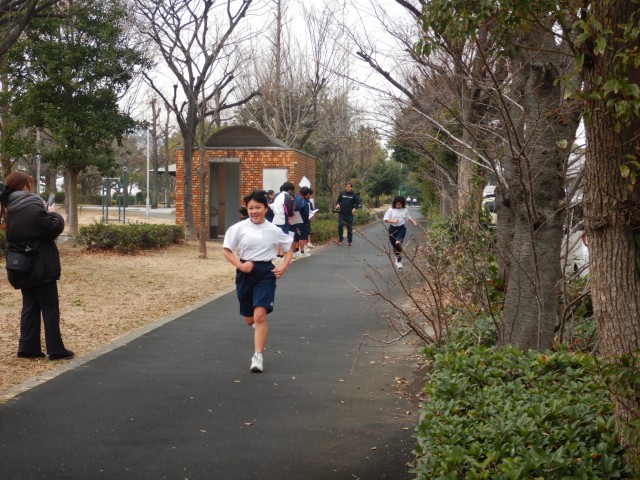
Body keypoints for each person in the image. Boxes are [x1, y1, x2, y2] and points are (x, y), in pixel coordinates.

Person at [0, 172, 74, 360]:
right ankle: (56, 350)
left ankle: (27, 348)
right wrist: (52, 213)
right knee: (49, 307)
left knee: (30, 305)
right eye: (30, 184)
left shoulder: (9, 207)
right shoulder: (32, 206)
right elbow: (52, 229)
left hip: (20, 264)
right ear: (26, 186)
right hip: (40, 263)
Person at [222, 189, 294, 373]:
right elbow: (227, 250)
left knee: (260, 316)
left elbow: (288, 249)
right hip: (245, 273)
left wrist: (283, 267)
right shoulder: (239, 228)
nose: (254, 211)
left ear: (266, 208)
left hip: (265, 273)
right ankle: (259, 329)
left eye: (258, 207)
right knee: (249, 319)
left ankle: (257, 356)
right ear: (247, 209)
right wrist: (241, 265)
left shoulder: (272, 230)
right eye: (251, 208)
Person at [383, 195, 418, 270]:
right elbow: (385, 219)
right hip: (392, 229)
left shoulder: (405, 210)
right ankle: (397, 256)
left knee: (398, 243)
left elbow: (408, 217)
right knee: (394, 246)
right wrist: (393, 221)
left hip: (401, 229)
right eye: (397, 204)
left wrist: (413, 222)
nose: (398, 206)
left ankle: (399, 262)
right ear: (395, 203)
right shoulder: (391, 210)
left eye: (400, 204)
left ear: (403, 204)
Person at [290, 186, 312, 257]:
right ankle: (301, 251)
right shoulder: (304, 202)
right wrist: (306, 222)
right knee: (302, 237)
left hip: (293, 219)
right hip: (301, 221)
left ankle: (293, 252)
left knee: (295, 236)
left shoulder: (295, 198)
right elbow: (306, 214)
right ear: (307, 193)